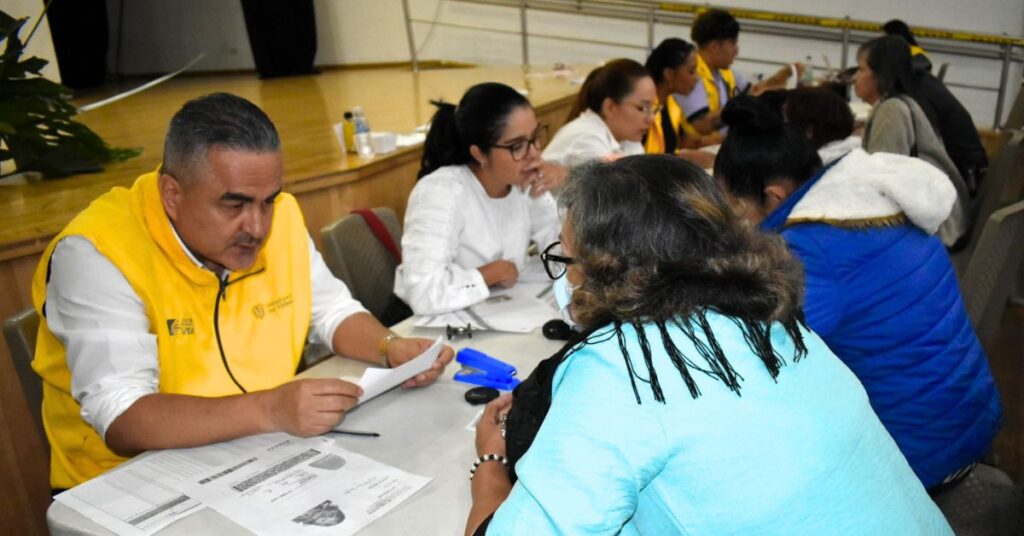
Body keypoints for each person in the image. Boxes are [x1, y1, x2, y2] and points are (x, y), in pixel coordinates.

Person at [464, 154, 953, 535]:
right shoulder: (774, 319)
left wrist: (491, 466)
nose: (566, 277)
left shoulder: (622, 370)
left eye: (567, 258)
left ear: (607, 267)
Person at [32, 93, 453, 490]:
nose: (256, 226)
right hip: (129, 485)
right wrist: (269, 409)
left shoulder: (280, 217)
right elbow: (121, 416)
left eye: (267, 201)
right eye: (234, 206)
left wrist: (389, 347)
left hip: (259, 451)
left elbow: (330, 312)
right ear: (172, 195)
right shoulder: (97, 252)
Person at [715, 94, 1001, 492]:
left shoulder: (811, 248)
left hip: (918, 455)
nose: (733, 220)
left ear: (774, 196)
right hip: (966, 418)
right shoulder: (874, 202)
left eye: (732, 204)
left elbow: (756, 357)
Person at [394, 83, 560, 315]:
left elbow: (559, 253)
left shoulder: (523, 181)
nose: (534, 154)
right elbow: (423, 293)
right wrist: (492, 272)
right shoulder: (440, 192)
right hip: (431, 325)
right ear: (479, 153)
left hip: (495, 313)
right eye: (517, 146)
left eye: (535, 138)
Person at [855, 35, 972, 248]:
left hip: (938, 228)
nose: (855, 77)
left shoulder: (893, 110)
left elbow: (879, 184)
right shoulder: (903, 101)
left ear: (880, 74)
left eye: (861, 69)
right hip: (941, 216)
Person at [678, 8, 801, 138]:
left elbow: (756, 90)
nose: (736, 51)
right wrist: (747, 102)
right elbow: (703, 125)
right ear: (715, 47)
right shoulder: (692, 74)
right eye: (733, 43)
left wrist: (785, 74)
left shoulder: (723, 73)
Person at [541, 59, 653, 167]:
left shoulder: (628, 139)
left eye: (653, 108)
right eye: (642, 108)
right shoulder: (586, 139)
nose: (650, 119)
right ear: (610, 107)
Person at [643, 38, 717, 169]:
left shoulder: (671, 104)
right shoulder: (644, 109)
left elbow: (684, 141)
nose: (697, 77)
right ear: (669, 74)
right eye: (691, 71)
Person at [781, 87, 860, 164]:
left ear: (809, 130)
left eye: (785, 120)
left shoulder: (811, 167)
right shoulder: (854, 154)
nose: (780, 128)